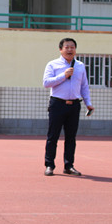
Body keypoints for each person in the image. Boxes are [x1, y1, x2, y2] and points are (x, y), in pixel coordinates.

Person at [42, 37, 94, 176]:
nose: (70, 49)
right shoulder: (52, 64)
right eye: (67, 47)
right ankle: (49, 165)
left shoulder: (80, 66)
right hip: (57, 104)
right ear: (61, 49)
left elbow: (84, 86)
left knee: (71, 138)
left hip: (74, 105)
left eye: (72, 47)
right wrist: (63, 76)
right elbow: (46, 83)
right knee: (53, 136)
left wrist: (88, 103)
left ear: (75, 50)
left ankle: (69, 165)